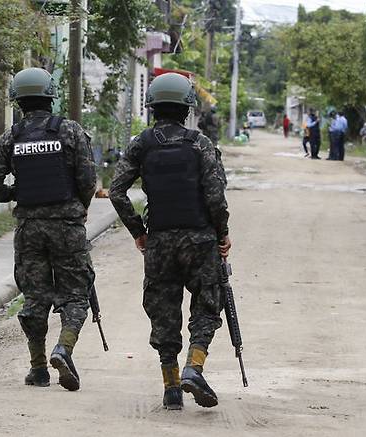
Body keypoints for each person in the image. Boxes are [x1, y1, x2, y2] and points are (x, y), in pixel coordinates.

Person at [109, 72, 231, 410]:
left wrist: (138, 232)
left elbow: (117, 191)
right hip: (200, 242)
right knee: (207, 307)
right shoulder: (200, 144)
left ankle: (172, 388)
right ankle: (195, 366)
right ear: (187, 107)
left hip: (159, 242)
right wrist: (222, 234)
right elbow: (215, 196)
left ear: (152, 107)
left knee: (164, 314)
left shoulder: (141, 144)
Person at [0, 67, 97, 391]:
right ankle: (64, 347)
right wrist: (80, 207)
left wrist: (18, 193)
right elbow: (87, 180)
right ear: (51, 96)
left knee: (35, 298)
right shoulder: (70, 131)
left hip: (30, 229)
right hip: (68, 228)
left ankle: (38, 368)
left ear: (18, 100)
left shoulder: (12, 137)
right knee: (76, 295)